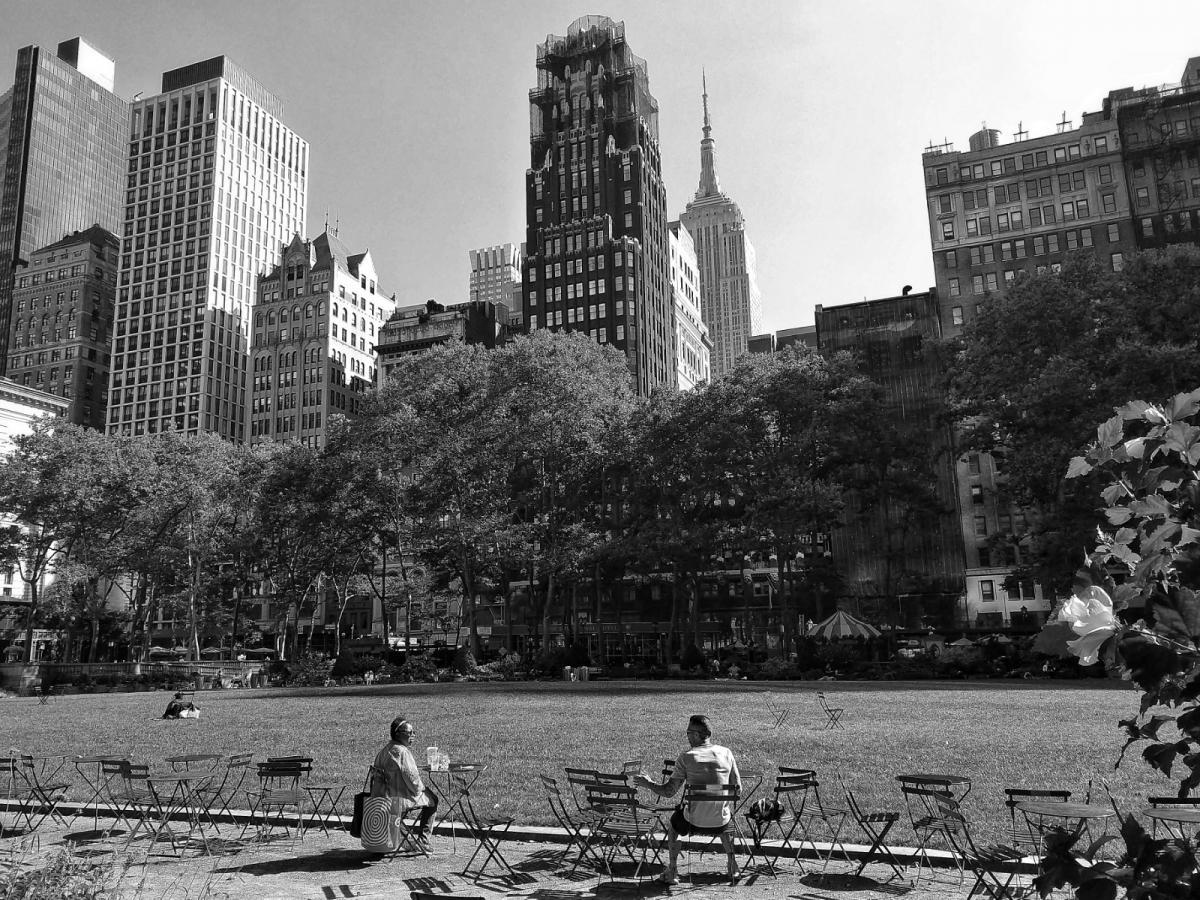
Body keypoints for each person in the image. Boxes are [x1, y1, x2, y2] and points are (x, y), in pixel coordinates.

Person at [634, 714, 741, 885]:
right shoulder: (726, 753)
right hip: (721, 822)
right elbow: (738, 789)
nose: (687, 736)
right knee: (724, 816)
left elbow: (669, 791)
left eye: (688, 732)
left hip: (693, 821)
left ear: (697, 734)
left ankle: (673, 871)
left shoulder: (687, 757)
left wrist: (648, 783)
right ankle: (732, 865)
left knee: (674, 825)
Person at [369, 716, 438, 843]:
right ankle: (423, 840)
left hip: (380, 798)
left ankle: (402, 837)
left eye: (413, 732)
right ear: (398, 734)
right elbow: (413, 780)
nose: (413, 736)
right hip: (398, 799)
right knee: (433, 799)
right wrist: (422, 789)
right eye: (410, 733)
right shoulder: (403, 752)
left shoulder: (383, 751)